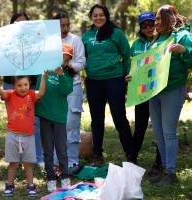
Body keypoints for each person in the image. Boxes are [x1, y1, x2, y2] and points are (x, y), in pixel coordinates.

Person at [82, 4, 135, 165]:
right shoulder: (86, 36)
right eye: (95, 15)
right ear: (91, 17)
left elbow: (127, 56)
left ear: (107, 16)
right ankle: (97, 154)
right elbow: (81, 58)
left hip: (114, 80)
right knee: (96, 120)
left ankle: (131, 154)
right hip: (93, 82)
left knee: (119, 117)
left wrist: (127, 75)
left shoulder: (117, 33)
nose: (98, 18)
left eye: (101, 15)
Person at [148, 5, 192, 186]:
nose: (155, 23)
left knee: (168, 133)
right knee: (158, 134)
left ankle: (170, 172)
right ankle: (165, 170)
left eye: (158, 19)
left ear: (168, 18)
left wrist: (184, 51)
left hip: (173, 90)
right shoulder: (158, 39)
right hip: (154, 91)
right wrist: (134, 78)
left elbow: (190, 60)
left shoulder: (184, 36)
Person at [0, 73, 47, 197]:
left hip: (29, 136)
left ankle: (31, 185)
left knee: (28, 164)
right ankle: (10, 185)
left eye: (26, 85)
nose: (23, 88)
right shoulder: (10, 94)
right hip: (13, 135)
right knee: (13, 163)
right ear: (14, 86)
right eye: (19, 85)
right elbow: (0, 91)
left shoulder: (32, 95)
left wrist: (43, 77)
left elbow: (41, 93)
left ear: (29, 84)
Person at [3, 13, 44, 167]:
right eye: (17, 23)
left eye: (24, 23)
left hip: (30, 85)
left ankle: (37, 157)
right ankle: (17, 159)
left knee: (34, 122)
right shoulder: (5, 42)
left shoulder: (36, 42)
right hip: (10, 85)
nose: (21, 25)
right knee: (14, 120)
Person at [127, 11, 163, 174]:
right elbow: (132, 66)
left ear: (157, 23)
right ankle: (132, 159)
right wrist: (129, 75)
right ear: (140, 28)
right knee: (140, 127)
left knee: (159, 128)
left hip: (158, 91)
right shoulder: (136, 45)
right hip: (141, 93)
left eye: (151, 23)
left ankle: (159, 162)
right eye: (144, 26)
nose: (149, 28)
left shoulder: (163, 41)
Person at [35, 44, 74, 192]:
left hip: (59, 117)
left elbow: (66, 90)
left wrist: (61, 75)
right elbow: (40, 90)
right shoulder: (44, 69)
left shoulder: (68, 74)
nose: (62, 59)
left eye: (66, 57)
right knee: (48, 149)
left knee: (61, 149)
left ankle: (65, 177)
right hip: (44, 114)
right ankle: (50, 177)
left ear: (68, 60)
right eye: (61, 55)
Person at [53, 12, 86, 174]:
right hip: (54, 87)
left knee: (72, 123)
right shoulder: (49, 43)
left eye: (67, 25)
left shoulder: (75, 40)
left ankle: (72, 162)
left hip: (73, 86)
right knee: (55, 123)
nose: (65, 28)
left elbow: (82, 62)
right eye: (61, 25)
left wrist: (66, 64)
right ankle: (54, 162)